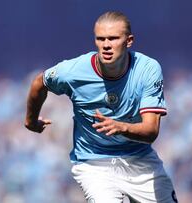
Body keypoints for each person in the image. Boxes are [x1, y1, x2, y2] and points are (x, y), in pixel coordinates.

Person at [24, 11, 177, 203]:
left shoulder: (147, 69)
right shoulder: (73, 71)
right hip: (95, 163)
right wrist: (30, 120)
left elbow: (151, 131)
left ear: (129, 41)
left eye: (113, 38)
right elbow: (40, 82)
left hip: (140, 159)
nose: (106, 45)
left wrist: (121, 127)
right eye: (100, 39)